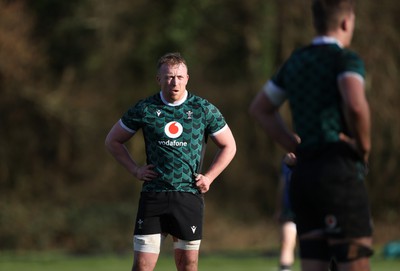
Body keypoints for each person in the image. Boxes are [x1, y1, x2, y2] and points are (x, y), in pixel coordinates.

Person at [249, 1, 373, 270]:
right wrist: (362, 147)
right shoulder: (344, 59)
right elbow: (355, 104)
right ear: (346, 22)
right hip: (339, 173)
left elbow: (261, 109)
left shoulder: (295, 61)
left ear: (315, 22)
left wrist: (296, 147)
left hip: (304, 177)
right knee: (354, 262)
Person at [105, 52, 236, 271]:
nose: (174, 82)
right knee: (142, 266)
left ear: (187, 78)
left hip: (188, 194)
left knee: (188, 264)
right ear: (159, 79)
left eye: (179, 77)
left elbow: (229, 146)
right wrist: (135, 169)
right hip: (154, 195)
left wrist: (210, 177)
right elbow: (113, 141)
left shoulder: (203, 109)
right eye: (168, 77)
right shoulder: (144, 109)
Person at [275, 153, 297, 271]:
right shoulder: (286, 160)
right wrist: (279, 209)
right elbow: (282, 185)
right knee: (287, 243)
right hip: (291, 209)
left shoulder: (316, 154)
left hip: (312, 207)